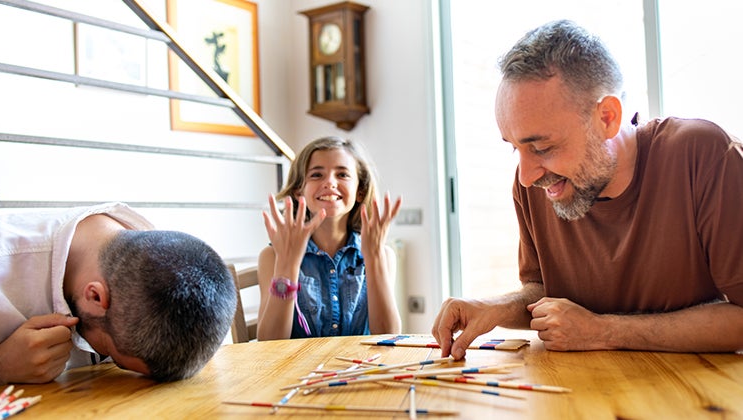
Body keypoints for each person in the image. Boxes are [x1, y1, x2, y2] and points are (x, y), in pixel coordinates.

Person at [432, 20, 743, 359]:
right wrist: (493, 307)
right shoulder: (537, 186)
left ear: (607, 117)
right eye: (514, 147)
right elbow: (542, 294)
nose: (525, 176)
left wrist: (602, 330)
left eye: (541, 147)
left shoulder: (703, 156)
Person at [0, 202, 237, 386]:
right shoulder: (0, 265)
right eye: (116, 359)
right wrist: (0, 366)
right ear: (96, 297)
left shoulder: (158, 269)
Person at [257, 136, 402, 340]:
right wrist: (287, 266)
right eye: (317, 175)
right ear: (300, 190)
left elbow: (389, 336)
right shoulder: (272, 256)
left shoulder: (384, 255)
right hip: (299, 371)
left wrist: (374, 257)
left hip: (362, 370)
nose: (330, 183)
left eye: (342, 174)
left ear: (360, 191)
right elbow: (268, 343)